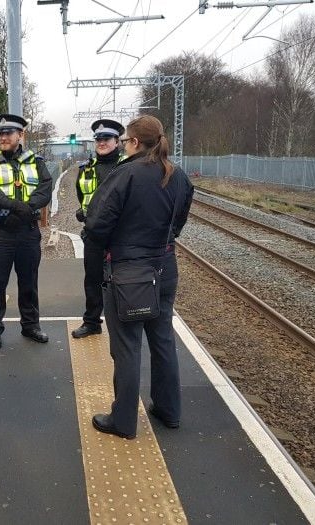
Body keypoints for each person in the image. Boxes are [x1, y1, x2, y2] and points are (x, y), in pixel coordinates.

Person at [83, 115, 194, 439]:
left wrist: (108, 251)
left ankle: (123, 420)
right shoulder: (179, 176)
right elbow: (179, 222)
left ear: (132, 142)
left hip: (127, 274)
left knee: (128, 346)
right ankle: (169, 410)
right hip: (165, 267)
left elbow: (96, 226)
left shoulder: (125, 174)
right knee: (162, 340)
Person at [0, 114, 53, 350]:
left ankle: (31, 326)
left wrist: (25, 208)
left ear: (21, 135)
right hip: (1, 233)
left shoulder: (36, 162)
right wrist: (16, 207)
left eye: (8, 133)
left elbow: (45, 189)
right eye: (0, 134)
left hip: (28, 233)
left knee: (29, 282)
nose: (3, 137)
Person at [72, 119, 125, 339]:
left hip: (120, 236)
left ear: (117, 141)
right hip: (93, 236)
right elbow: (81, 195)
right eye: (99, 139)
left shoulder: (127, 166)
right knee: (92, 279)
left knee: (121, 280)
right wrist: (84, 212)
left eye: (107, 139)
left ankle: (124, 322)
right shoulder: (86, 169)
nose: (102, 143)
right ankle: (92, 322)